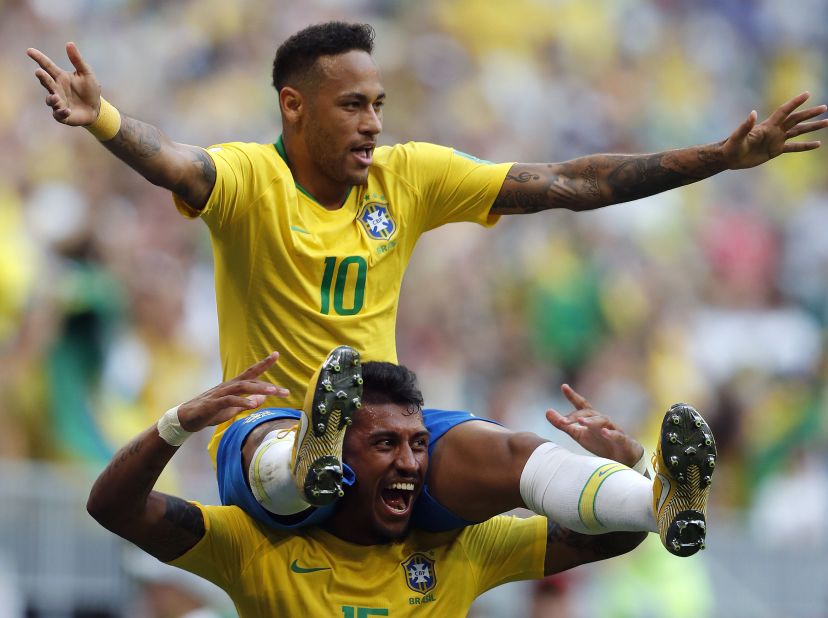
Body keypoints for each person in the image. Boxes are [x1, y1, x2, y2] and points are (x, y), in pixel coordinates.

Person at [28, 21, 820, 553]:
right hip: (268, 421)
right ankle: (313, 454)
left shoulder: (408, 177)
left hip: (389, 427)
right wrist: (104, 120)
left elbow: (570, 183)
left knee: (511, 452)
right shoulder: (250, 178)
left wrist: (718, 157)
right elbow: (174, 160)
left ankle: (657, 503)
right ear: (293, 108)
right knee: (272, 443)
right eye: (352, 105)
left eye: (378, 104)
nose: (373, 122)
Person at [86, 350, 714, 616]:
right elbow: (113, 507)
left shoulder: (461, 549)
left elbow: (606, 542)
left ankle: (657, 491)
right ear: (336, 455)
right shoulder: (255, 548)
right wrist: (179, 423)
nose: (412, 463)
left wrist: (634, 464)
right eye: (385, 444)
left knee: (539, 467)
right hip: (273, 474)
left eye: (418, 445)